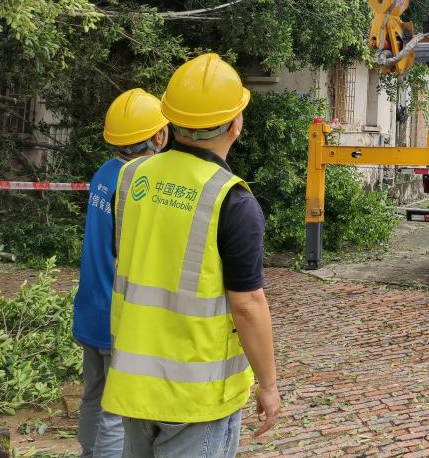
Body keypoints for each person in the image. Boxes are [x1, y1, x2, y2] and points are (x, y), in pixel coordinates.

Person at [101, 53, 280, 457]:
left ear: (169, 121)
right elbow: (248, 304)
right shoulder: (231, 200)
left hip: (133, 382)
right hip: (195, 396)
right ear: (235, 124)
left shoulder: (130, 178)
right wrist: (268, 385)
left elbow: (130, 258)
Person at [73, 89, 169, 458]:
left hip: (90, 307)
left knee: (93, 396)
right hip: (117, 315)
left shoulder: (104, 172)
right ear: (157, 136)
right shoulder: (139, 182)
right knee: (117, 412)